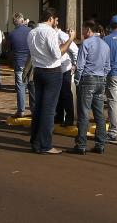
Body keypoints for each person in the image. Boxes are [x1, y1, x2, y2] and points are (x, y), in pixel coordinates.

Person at [27, 8, 75, 155]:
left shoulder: (32, 32)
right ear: (51, 19)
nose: (57, 23)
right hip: (51, 72)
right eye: (56, 20)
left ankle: (36, 142)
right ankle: (45, 145)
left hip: (38, 71)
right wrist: (70, 39)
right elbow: (57, 54)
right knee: (48, 110)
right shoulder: (49, 32)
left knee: (39, 108)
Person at [71, 21, 110, 155]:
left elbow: (80, 64)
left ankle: (81, 144)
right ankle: (100, 143)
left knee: (84, 112)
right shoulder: (105, 45)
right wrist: (102, 77)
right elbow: (107, 66)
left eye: (83, 30)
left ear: (88, 30)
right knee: (99, 113)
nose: (82, 33)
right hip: (101, 80)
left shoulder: (86, 44)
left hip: (88, 79)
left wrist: (77, 79)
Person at [54, 18, 78, 127]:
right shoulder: (51, 34)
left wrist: (75, 64)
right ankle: (58, 117)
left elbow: (74, 49)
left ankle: (69, 118)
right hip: (56, 68)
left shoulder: (62, 35)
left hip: (65, 68)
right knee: (58, 93)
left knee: (66, 93)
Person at [8, 13, 33, 118]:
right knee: (32, 87)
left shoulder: (12, 34)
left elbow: (10, 50)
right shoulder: (31, 31)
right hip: (30, 62)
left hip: (19, 62)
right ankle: (34, 110)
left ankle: (21, 110)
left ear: (14, 23)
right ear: (23, 21)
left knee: (20, 87)